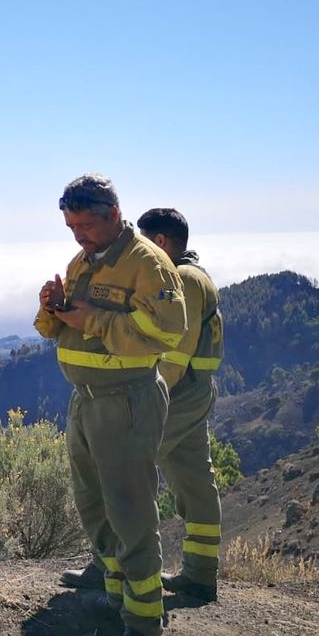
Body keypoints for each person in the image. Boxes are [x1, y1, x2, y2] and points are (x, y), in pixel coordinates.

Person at [34, 174, 186, 636]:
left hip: (126, 399)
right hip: (86, 400)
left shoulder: (148, 264)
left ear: (114, 216)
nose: (79, 235)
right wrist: (51, 308)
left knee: (130, 509)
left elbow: (166, 333)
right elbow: (57, 330)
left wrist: (91, 320)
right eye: (71, 226)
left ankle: (143, 624)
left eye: (86, 225)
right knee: (93, 503)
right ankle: (115, 594)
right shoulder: (82, 260)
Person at [59, 208, 224, 603]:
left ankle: (110, 568)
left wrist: (139, 397)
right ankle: (201, 574)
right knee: (194, 479)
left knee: (122, 481)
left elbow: (172, 355)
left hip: (174, 394)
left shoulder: (181, 278)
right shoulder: (197, 275)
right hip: (196, 393)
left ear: (162, 243)